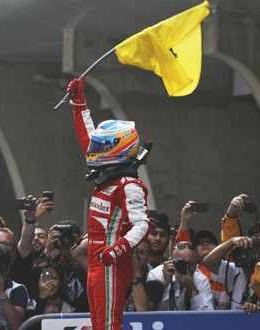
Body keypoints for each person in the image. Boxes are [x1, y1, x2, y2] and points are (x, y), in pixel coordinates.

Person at [66, 78, 150, 330]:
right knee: (98, 324)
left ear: (119, 148)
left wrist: (116, 250)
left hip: (110, 264)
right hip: (94, 262)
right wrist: (78, 103)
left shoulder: (128, 185)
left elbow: (142, 225)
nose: (95, 149)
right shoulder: (105, 178)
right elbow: (88, 139)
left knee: (108, 326)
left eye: (103, 145)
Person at [146, 240, 214, 311]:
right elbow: (148, 309)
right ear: (172, 260)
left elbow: (207, 315)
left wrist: (193, 290)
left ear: (197, 263)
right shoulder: (156, 274)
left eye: (190, 265)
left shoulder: (201, 279)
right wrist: (165, 284)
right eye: (182, 264)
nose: (186, 269)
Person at [201, 235, 250, 309]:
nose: (205, 244)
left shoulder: (235, 268)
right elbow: (208, 261)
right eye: (200, 242)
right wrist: (232, 241)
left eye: (210, 241)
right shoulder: (194, 270)